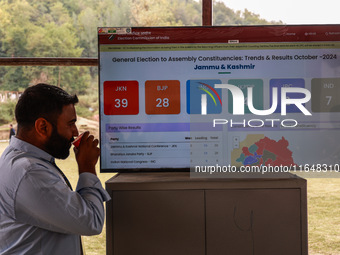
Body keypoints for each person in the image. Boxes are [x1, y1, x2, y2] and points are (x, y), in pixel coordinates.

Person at [0, 83, 110, 254]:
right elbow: (91, 221)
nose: (75, 132)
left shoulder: (24, 160)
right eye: (70, 123)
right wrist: (87, 167)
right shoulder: (29, 172)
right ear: (42, 127)